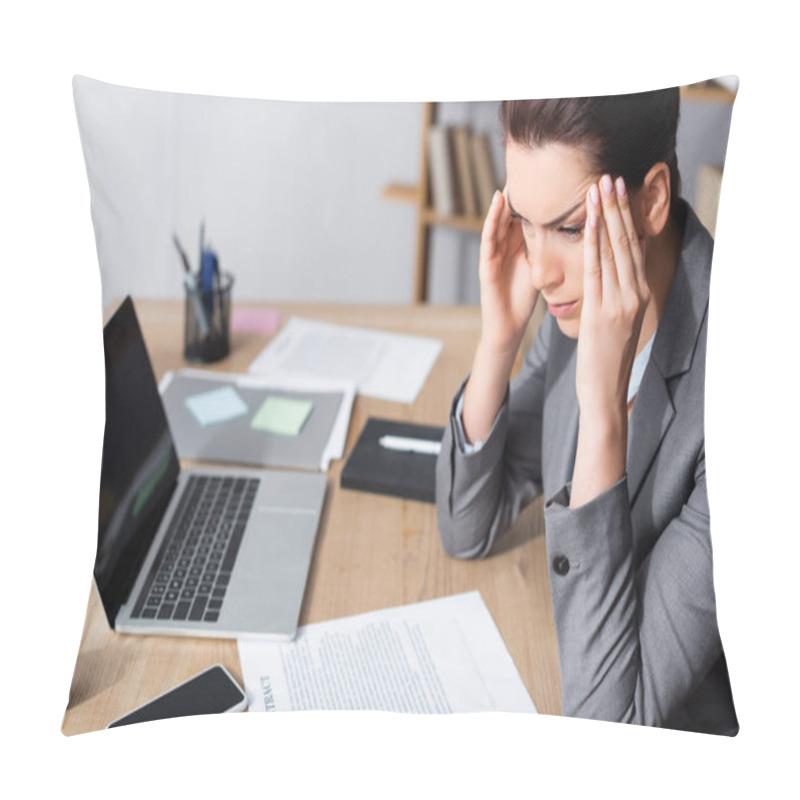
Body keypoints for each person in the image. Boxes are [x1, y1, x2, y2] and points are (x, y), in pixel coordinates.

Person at [435, 90, 738, 735]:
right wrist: (498, 343)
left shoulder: (743, 400)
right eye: (523, 220)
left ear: (652, 200)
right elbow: (467, 526)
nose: (540, 270)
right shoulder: (571, 305)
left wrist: (602, 412)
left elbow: (607, 726)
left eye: (570, 227)